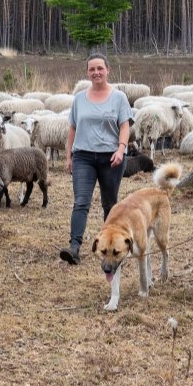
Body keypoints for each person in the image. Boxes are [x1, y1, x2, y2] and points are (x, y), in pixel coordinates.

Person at [59, 53, 132, 265]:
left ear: (107, 70)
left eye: (100, 68)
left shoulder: (119, 98)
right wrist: (69, 155)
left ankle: (114, 246)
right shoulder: (79, 98)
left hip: (111, 158)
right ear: (87, 72)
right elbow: (73, 127)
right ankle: (74, 247)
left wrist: (121, 149)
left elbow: (124, 125)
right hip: (83, 156)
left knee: (110, 204)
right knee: (81, 202)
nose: (96, 72)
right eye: (92, 69)